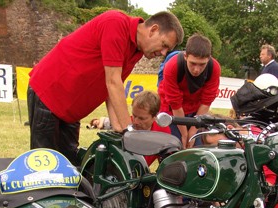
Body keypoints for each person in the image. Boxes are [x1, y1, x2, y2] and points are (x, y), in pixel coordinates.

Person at [27, 10, 184, 165]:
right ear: (153, 30)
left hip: (70, 111)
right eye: (164, 45)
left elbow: (111, 88)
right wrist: (128, 132)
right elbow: (113, 82)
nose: (163, 53)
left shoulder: (136, 50)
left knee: (70, 166)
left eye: (167, 50)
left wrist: (117, 126)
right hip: (48, 94)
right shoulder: (115, 24)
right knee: (43, 166)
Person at [158, 33, 221, 149]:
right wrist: (184, 134)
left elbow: (206, 101)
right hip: (172, 111)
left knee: (197, 149)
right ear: (185, 56)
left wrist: (193, 130)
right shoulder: (172, 67)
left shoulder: (214, 68)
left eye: (202, 64)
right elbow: (175, 104)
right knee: (174, 148)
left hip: (196, 112)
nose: (196, 70)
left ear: (208, 59)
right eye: (193, 63)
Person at [129, 91, 171, 165]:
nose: (135, 122)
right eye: (134, 116)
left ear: (155, 117)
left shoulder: (162, 132)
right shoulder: (125, 124)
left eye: (142, 119)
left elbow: (166, 164)